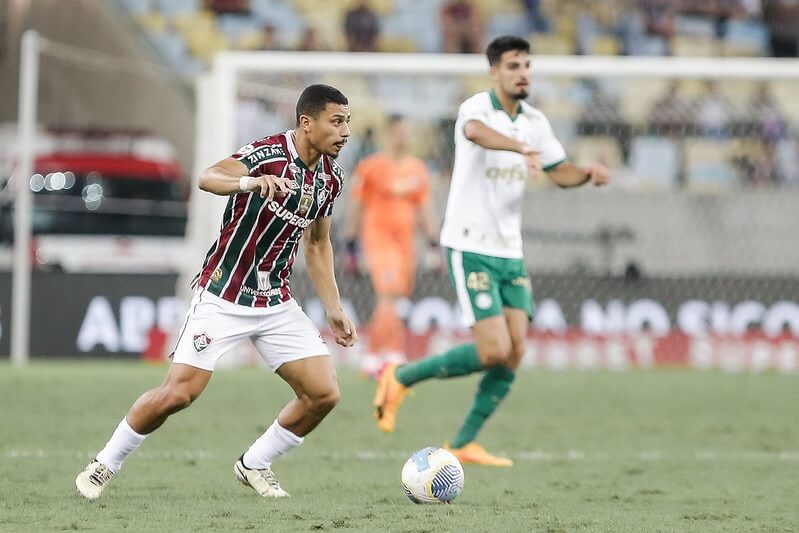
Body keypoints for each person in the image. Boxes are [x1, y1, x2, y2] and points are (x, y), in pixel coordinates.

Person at [75, 84, 357, 499]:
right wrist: (250, 182)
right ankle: (105, 463)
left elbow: (317, 243)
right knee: (178, 394)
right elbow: (208, 176)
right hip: (224, 293)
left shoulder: (331, 177)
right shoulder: (269, 153)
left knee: (323, 393)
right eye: (336, 121)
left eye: (348, 121)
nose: (345, 131)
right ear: (306, 123)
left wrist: (333, 306)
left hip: (275, 299)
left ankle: (255, 464)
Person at [373, 36, 610, 466]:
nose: (523, 73)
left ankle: (463, 442)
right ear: (494, 72)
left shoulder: (536, 121)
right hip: (469, 244)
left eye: (527, 65)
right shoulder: (476, 108)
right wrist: (520, 148)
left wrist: (587, 174)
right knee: (493, 350)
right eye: (514, 66)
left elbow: (559, 172)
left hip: (509, 250)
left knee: (515, 350)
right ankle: (399, 377)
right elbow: (476, 134)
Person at [344, 115, 438, 377]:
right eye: (399, 132)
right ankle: (378, 356)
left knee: (394, 299)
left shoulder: (417, 169)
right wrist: (351, 246)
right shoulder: (371, 167)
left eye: (407, 132)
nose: (404, 137)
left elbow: (424, 208)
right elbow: (356, 206)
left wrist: (433, 245)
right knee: (387, 295)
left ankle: (387, 354)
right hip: (378, 241)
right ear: (389, 134)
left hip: (405, 245)